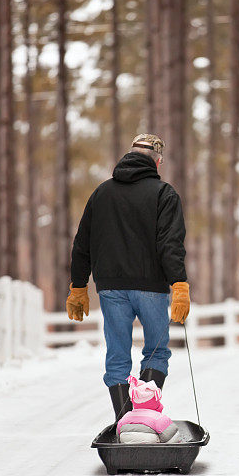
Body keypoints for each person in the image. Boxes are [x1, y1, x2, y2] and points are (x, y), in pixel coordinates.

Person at [66, 134, 190, 420]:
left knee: (118, 356)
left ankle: (124, 420)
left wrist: (79, 286)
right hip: (151, 287)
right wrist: (179, 283)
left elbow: (82, 243)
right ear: (157, 161)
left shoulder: (101, 193)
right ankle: (144, 420)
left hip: (111, 288)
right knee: (156, 353)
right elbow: (170, 243)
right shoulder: (164, 193)